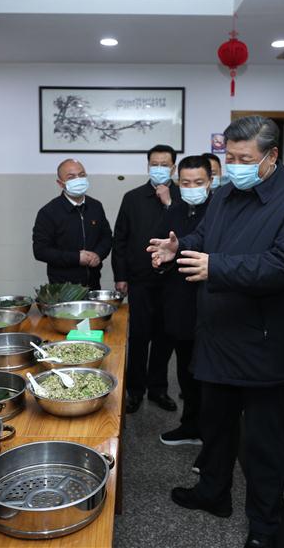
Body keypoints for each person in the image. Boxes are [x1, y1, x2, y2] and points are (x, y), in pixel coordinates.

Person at [149, 116, 284, 548]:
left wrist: (217, 266)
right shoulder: (225, 194)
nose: (237, 165)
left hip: (263, 343)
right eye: (231, 157)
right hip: (218, 334)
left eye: (246, 158)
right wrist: (179, 248)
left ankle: (264, 527)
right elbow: (204, 236)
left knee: (263, 445)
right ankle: (213, 492)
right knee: (217, 425)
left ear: (271, 157)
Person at [113, 144, 181, 413]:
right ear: (148, 166)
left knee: (166, 338)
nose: (160, 168)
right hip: (140, 280)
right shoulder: (132, 197)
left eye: (165, 164)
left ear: (173, 167)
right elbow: (120, 239)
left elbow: (187, 230)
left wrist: (170, 203)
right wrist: (121, 275)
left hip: (172, 281)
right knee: (139, 338)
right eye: (155, 163)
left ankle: (159, 389)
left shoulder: (182, 197)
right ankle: (135, 391)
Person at [157, 155, 213, 447]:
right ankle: (189, 425)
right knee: (184, 371)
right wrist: (160, 261)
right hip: (179, 303)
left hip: (211, 305)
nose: (192, 187)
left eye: (199, 182)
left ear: (211, 182)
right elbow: (163, 251)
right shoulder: (174, 211)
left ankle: (210, 433)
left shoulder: (220, 210)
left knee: (207, 375)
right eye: (186, 182)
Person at [32, 159, 112, 290]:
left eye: (82, 175)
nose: (78, 179)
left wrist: (98, 254)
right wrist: (76, 257)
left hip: (93, 283)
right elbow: (40, 251)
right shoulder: (48, 212)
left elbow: (106, 237)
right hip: (63, 289)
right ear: (60, 183)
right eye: (71, 177)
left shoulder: (95, 206)